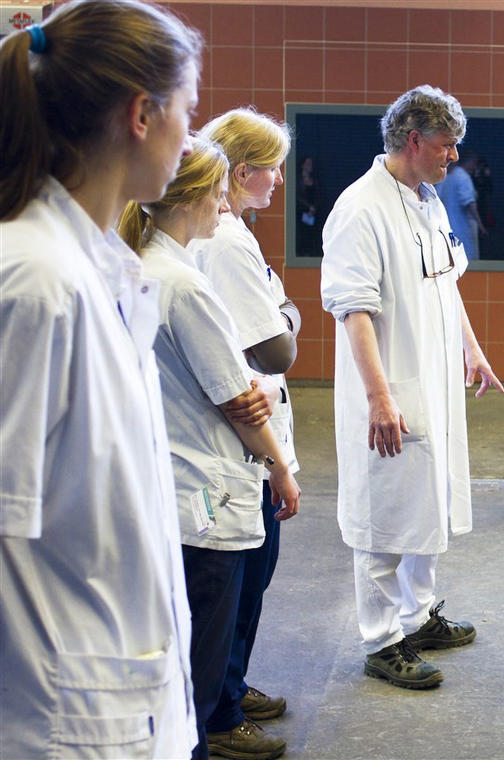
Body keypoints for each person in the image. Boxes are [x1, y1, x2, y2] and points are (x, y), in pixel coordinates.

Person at [0, 1, 201, 757]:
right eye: (188, 109)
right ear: (142, 114)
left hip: (117, 700)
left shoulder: (101, 271)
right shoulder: (33, 279)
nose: (193, 135)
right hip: (57, 719)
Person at [118, 136, 302, 760]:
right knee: (204, 645)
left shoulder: (141, 262)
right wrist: (280, 469)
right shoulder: (185, 284)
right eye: (218, 195)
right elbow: (238, 395)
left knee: (184, 639)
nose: (225, 208)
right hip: (206, 488)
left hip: (165, 476)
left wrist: (242, 391)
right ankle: (205, 737)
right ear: (195, 196)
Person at [321, 84, 504, 690]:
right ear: (414, 140)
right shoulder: (360, 208)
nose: (454, 158)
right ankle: (380, 642)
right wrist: (379, 396)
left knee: (429, 506)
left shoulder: (430, 201)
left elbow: (446, 284)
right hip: (391, 387)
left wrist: (471, 351)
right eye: (448, 147)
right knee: (385, 514)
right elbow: (354, 311)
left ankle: (419, 617)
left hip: (435, 386)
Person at [191, 107, 300, 758]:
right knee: (238, 582)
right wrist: (285, 307)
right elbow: (277, 350)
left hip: (239, 437)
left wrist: (281, 312)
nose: (281, 180)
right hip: (236, 443)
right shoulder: (227, 239)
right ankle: (221, 713)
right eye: (273, 168)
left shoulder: (222, 236)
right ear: (242, 172)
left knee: (246, 582)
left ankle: (229, 686)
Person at [436, 152, 483, 259]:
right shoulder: (463, 177)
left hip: (446, 228)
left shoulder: (446, 178)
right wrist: (480, 225)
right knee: (468, 260)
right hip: (462, 227)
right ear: (470, 162)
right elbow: (470, 203)